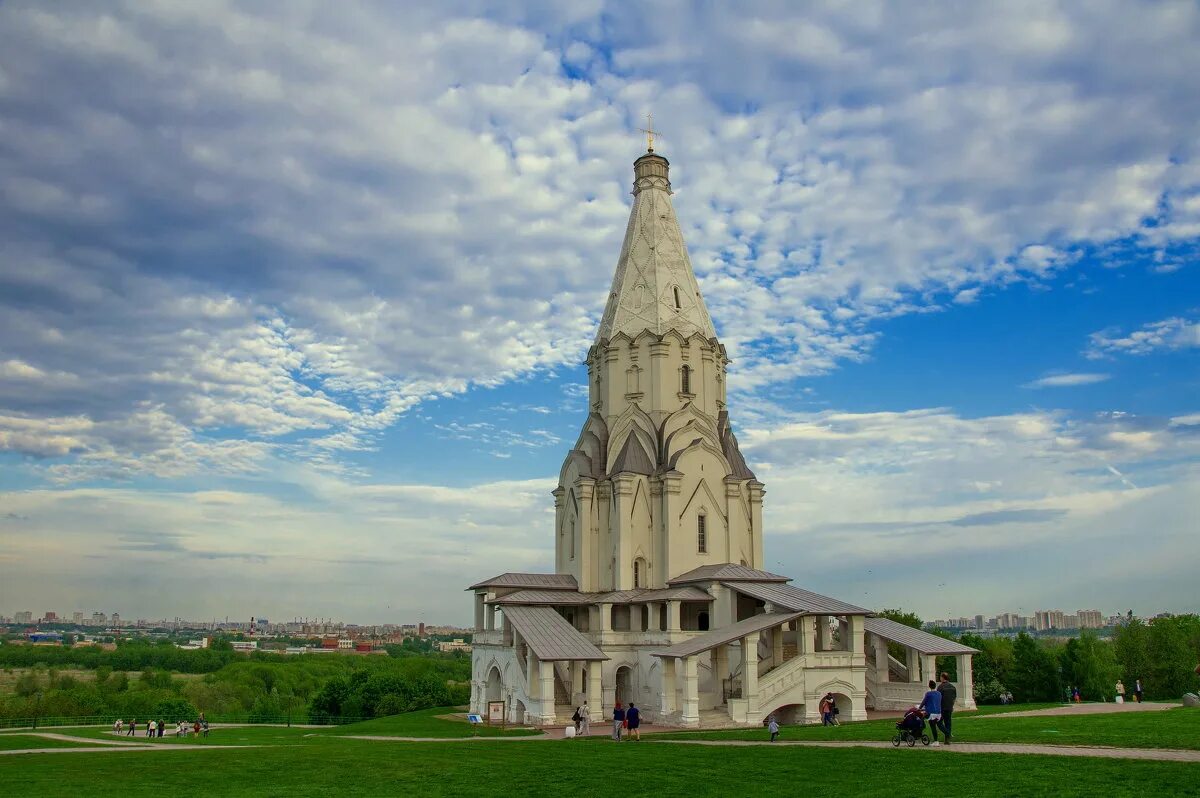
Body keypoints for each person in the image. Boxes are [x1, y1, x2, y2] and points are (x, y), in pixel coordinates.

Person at [920, 679, 944, 746]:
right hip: (938, 713)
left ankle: (936, 741)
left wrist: (919, 708)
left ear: (929, 686)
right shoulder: (939, 693)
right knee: (937, 725)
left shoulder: (928, 694)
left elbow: (924, 702)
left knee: (932, 726)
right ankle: (945, 735)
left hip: (931, 713)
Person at [936, 672, 957, 745]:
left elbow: (938, 698)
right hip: (949, 707)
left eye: (940, 677)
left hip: (942, 708)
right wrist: (951, 705)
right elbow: (954, 698)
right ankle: (947, 740)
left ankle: (947, 733)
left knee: (938, 722)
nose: (940, 678)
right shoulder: (952, 687)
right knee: (948, 723)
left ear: (942, 677)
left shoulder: (940, 687)